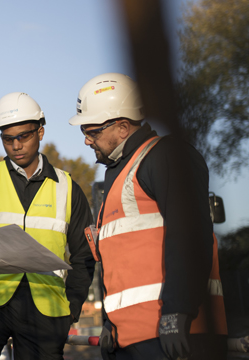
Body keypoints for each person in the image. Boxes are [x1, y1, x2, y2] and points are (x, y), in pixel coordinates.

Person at [68, 73, 227, 360]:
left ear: (123, 127)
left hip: (173, 334)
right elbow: (122, 264)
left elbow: (190, 236)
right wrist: (109, 325)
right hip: (133, 339)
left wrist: (177, 311)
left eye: (91, 132)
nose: (87, 141)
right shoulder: (120, 176)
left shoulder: (164, 156)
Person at [0, 92, 96, 360]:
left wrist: (72, 307)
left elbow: (84, 255)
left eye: (24, 136)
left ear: (40, 132)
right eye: (8, 139)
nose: (16, 145)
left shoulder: (68, 189)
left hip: (46, 307)